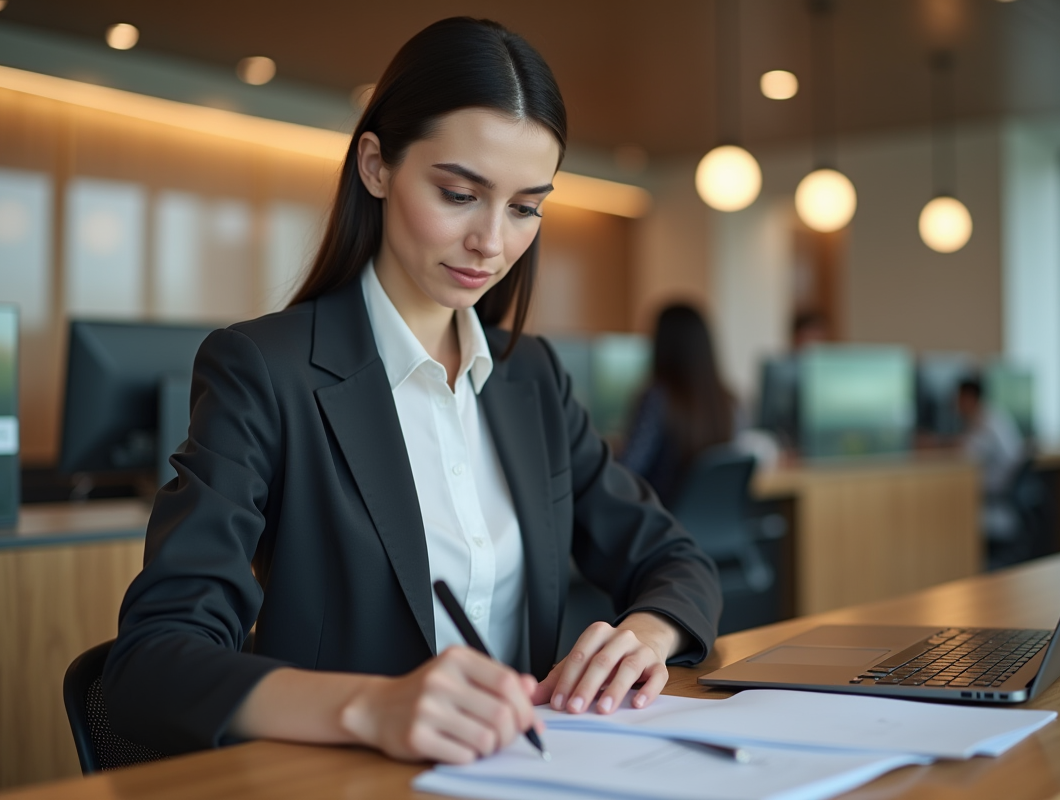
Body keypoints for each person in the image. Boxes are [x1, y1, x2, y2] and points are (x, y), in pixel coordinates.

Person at [102, 18, 720, 766]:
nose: (492, 242)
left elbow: (675, 558)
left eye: (525, 207)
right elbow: (152, 664)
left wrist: (645, 635)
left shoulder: (530, 377)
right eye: (459, 193)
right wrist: (370, 707)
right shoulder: (265, 371)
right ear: (376, 166)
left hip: (525, 772)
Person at [619, 304, 740, 507]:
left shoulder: (657, 397)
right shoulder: (729, 402)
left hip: (661, 516)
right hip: (710, 519)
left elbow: (627, 469)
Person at [956, 376, 1026, 546]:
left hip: (995, 495)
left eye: (958, 399)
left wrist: (934, 443)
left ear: (969, 398)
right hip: (1005, 491)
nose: (955, 405)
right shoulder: (993, 414)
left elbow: (966, 452)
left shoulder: (985, 423)